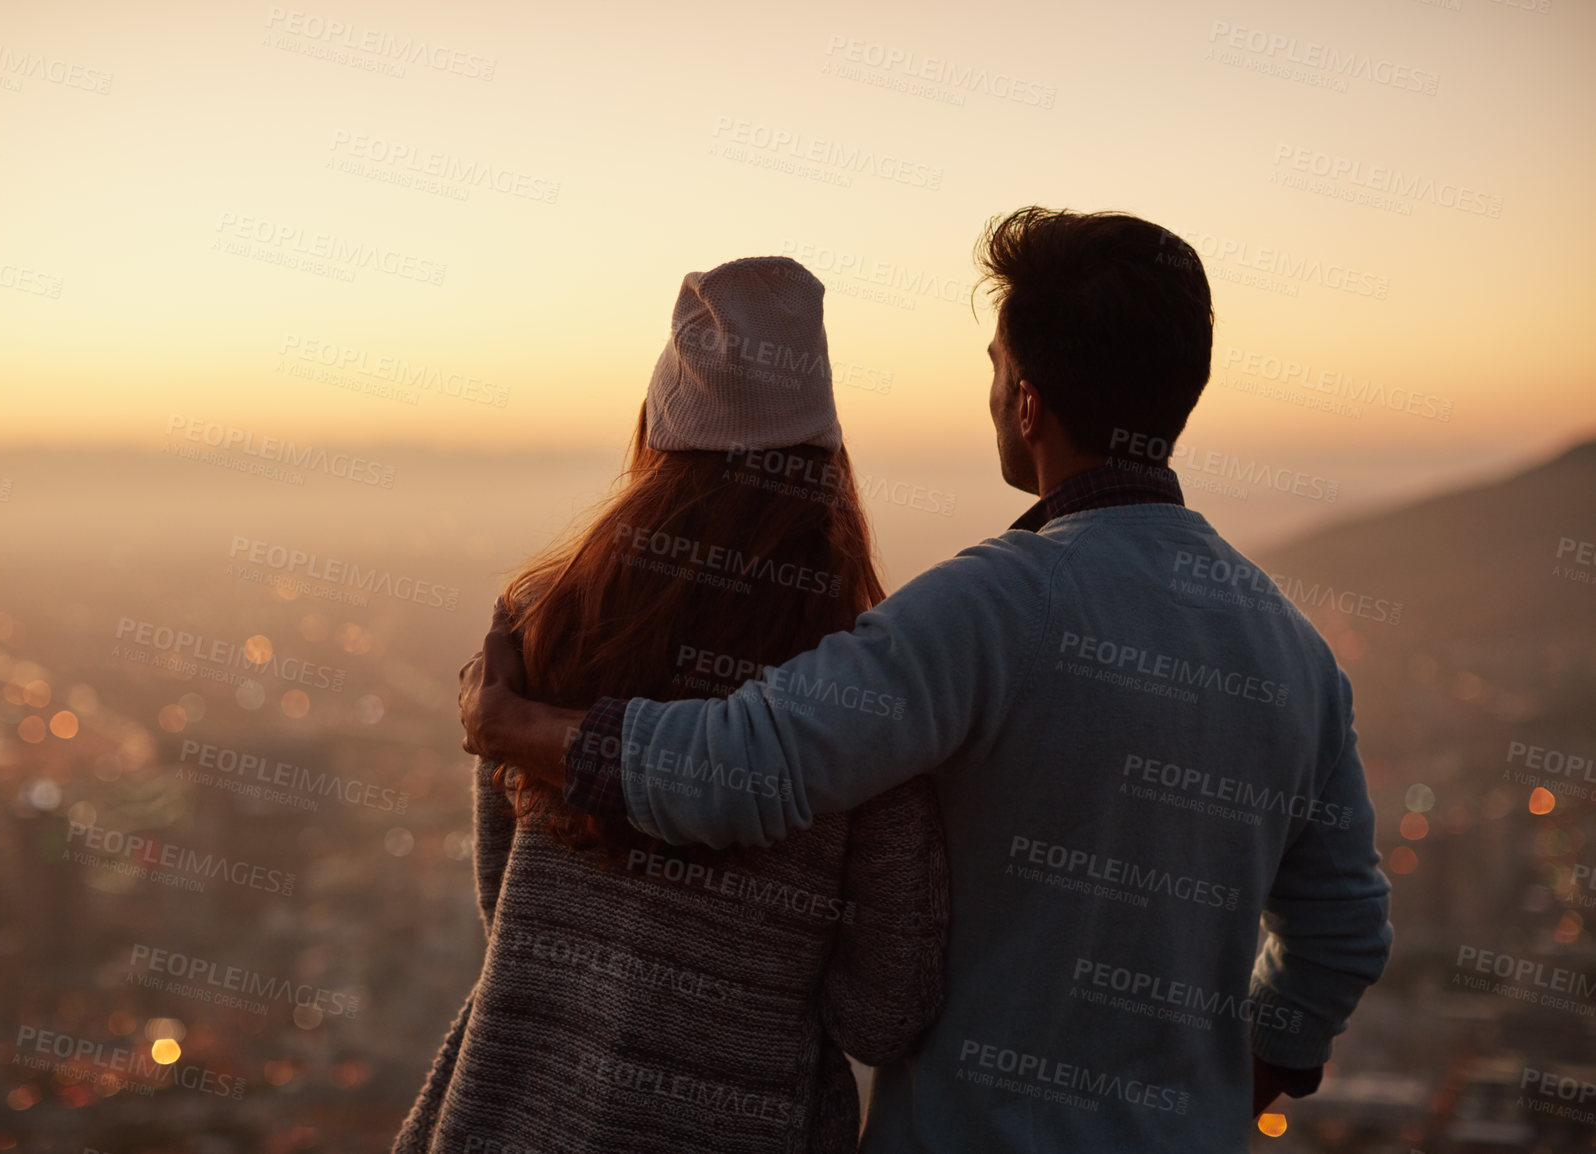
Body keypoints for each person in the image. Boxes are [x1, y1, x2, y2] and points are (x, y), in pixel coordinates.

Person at [459, 209, 1394, 1152]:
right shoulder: (1298, 657)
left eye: (994, 365)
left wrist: (515, 730)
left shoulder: (990, 609)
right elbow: (1343, 932)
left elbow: (741, 768)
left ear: (1026, 404)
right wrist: (1243, 1083)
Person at [398, 257, 950, 1154]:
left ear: (658, 423)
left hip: (509, 1109)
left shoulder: (540, 621)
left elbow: (506, 904)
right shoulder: (860, 685)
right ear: (824, 451)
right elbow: (882, 1010)